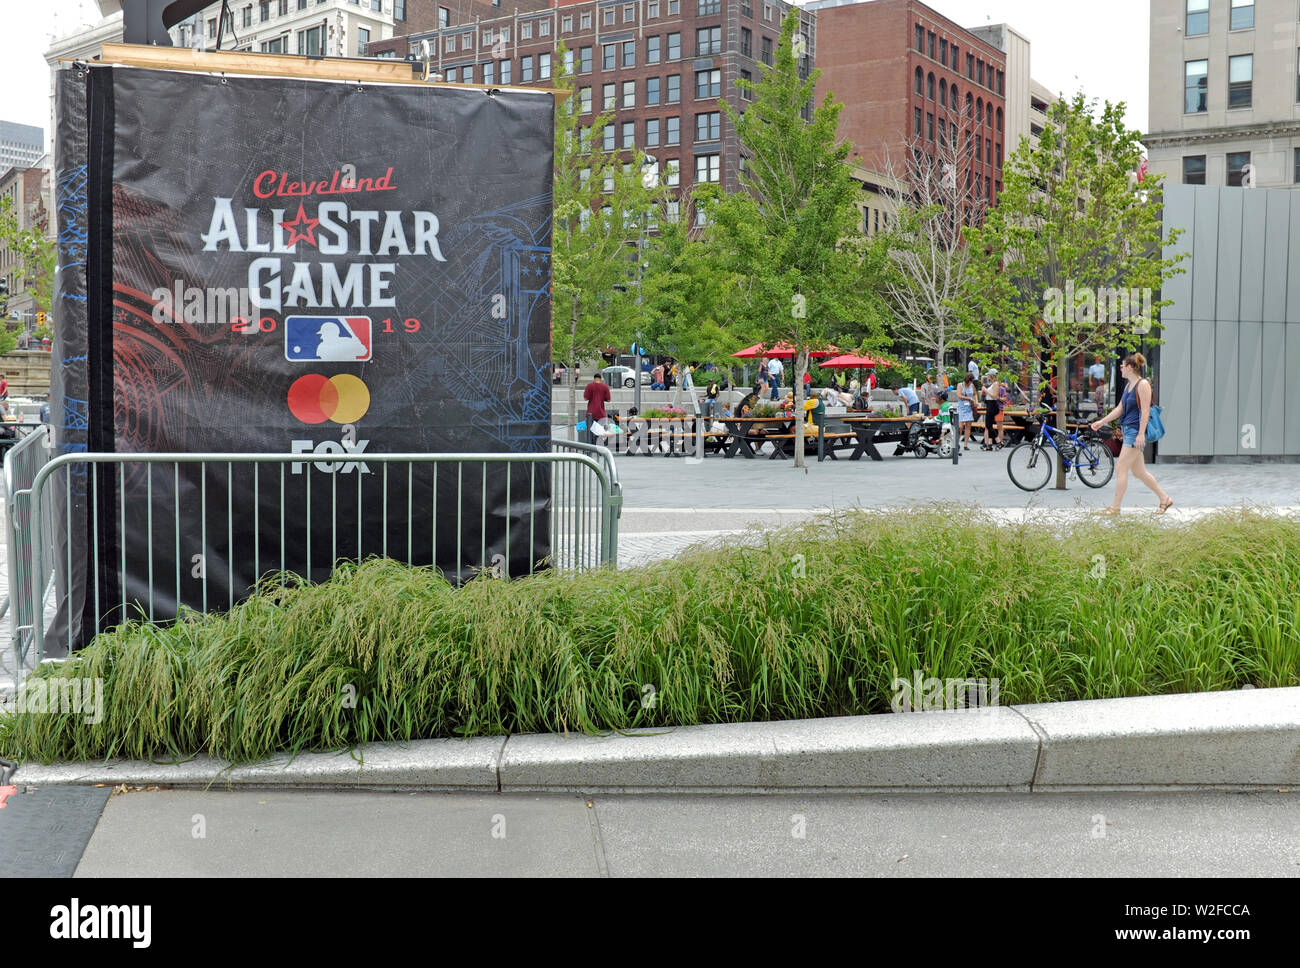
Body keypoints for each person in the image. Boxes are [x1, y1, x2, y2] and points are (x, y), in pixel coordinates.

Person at [1091, 353, 1173, 515]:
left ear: (1130, 367)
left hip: (1135, 431)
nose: (1120, 369)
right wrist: (1102, 421)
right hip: (1128, 429)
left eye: (1122, 366)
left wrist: (1141, 434)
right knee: (1139, 472)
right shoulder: (1129, 386)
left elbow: (1145, 411)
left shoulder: (1143, 385)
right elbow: (1119, 409)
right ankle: (1165, 499)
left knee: (1121, 467)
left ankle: (1115, 507)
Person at [582, 372, 611, 444]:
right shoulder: (605, 387)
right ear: (600, 379)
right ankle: (599, 446)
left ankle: (591, 447)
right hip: (601, 413)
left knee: (590, 431)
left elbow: (585, 398)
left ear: (594, 379)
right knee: (600, 431)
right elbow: (608, 400)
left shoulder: (589, 386)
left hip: (590, 413)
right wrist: (601, 397)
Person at [981, 374, 1004, 450]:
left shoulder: (996, 384)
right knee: (989, 424)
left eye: (988, 376)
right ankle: (990, 444)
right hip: (989, 403)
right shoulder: (991, 384)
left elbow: (995, 396)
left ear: (992, 376)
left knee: (988, 425)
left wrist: (986, 390)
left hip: (993, 404)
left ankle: (998, 441)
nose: (987, 378)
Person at [956, 372, 977, 450]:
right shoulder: (960, 385)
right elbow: (959, 395)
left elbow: (975, 393)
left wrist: (976, 401)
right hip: (961, 406)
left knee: (968, 426)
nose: (970, 383)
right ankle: (956, 443)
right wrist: (968, 398)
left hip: (969, 407)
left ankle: (965, 444)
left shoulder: (972, 385)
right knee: (960, 426)